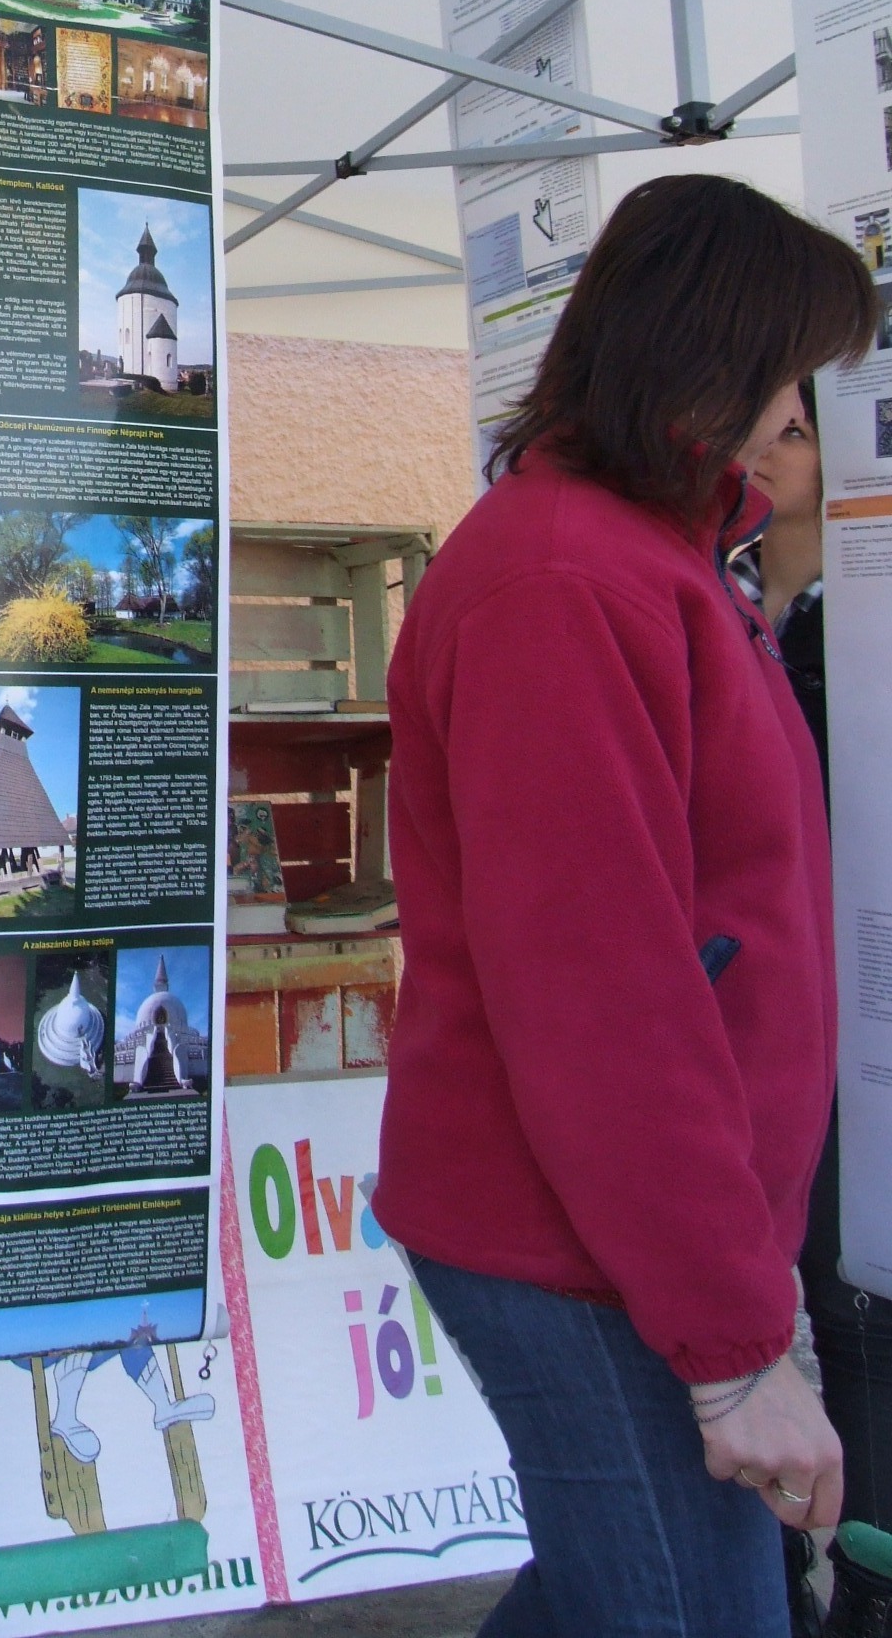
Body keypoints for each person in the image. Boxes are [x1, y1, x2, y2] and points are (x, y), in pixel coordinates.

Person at [374, 175, 877, 1636]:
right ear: (715, 354)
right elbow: (602, 994)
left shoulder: (650, 558)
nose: (794, 414)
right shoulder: (566, 577)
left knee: (621, 1593)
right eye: (788, 372)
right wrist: (731, 1348)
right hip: (583, 1241)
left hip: (635, 1235)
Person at [734, 386, 892, 1630]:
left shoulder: (865, 609)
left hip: (857, 998)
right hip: (754, 994)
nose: (766, 449)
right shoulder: (718, 593)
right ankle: (779, 1581)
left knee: (846, 1296)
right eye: (763, 425)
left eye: (794, 430)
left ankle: (860, 1580)